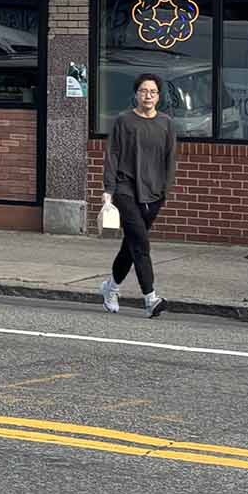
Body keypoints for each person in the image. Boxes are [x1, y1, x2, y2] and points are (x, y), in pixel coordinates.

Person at [99, 73, 179, 319]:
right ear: (136, 94)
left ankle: (110, 288)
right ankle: (150, 299)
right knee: (141, 245)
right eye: (144, 91)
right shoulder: (124, 120)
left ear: (159, 96)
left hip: (154, 194)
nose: (148, 96)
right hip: (125, 190)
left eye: (153, 92)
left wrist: (165, 190)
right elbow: (112, 155)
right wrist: (108, 191)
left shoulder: (166, 123)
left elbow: (170, 159)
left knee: (131, 245)